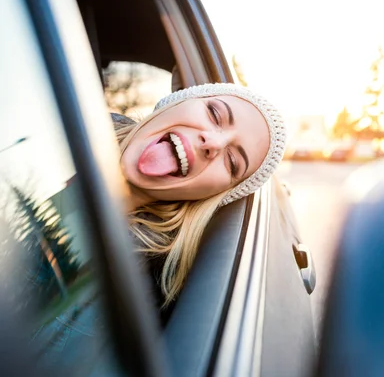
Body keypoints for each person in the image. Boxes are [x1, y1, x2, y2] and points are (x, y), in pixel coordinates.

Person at [112, 82, 287, 309]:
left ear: (216, 195)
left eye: (232, 162)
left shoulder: (143, 279)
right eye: (214, 114)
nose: (213, 143)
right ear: (179, 101)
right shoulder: (62, 117)